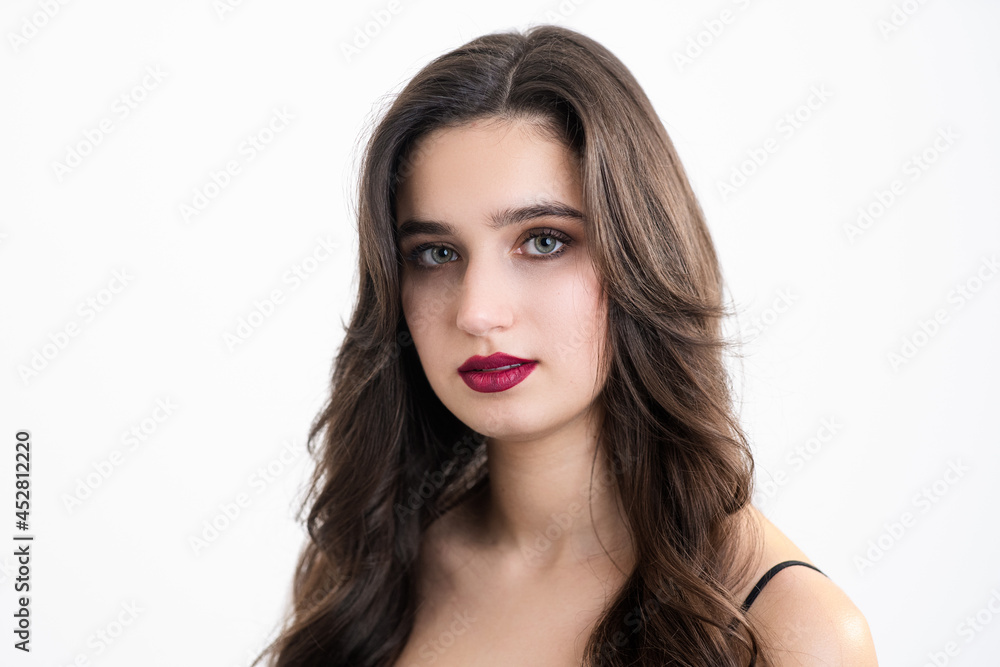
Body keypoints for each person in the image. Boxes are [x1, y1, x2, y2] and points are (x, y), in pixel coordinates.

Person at [255, 24, 878, 667]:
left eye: (544, 240)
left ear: (639, 254)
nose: (477, 312)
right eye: (436, 254)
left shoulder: (788, 628)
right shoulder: (373, 565)